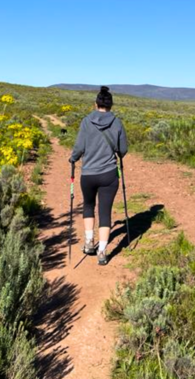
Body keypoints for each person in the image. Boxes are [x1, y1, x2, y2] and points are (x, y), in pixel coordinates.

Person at [70, 86, 128, 265]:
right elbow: (123, 150)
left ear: (95, 104)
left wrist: (73, 158)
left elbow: (79, 146)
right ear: (111, 105)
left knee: (88, 206)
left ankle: (89, 242)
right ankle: (102, 251)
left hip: (88, 174)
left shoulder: (86, 121)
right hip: (109, 174)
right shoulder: (117, 122)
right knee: (105, 212)